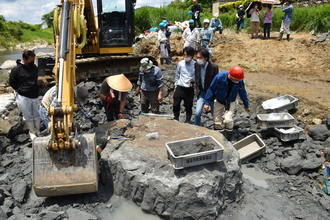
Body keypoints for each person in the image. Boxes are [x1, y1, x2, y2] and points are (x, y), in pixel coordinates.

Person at [204, 66, 250, 132]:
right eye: (236, 80)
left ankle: (229, 133)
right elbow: (211, 89)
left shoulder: (239, 81)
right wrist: (207, 102)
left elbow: (242, 93)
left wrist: (246, 105)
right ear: (231, 76)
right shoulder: (219, 77)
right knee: (217, 121)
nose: (237, 81)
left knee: (228, 120)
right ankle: (219, 133)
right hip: (219, 101)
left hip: (231, 101)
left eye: (238, 80)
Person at [9, 50, 40, 140]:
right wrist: (20, 89)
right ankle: (31, 132)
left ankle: (37, 131)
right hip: (23, 96)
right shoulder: (17, 70)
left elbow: (35, 79)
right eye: (30, 60)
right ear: (24, 59)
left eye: (33, 60)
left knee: (36, 114)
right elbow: (12, 83)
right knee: (28, 115)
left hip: (35, 95)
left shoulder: (34, 67)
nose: (32, 62)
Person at [194, 48, 219, 126]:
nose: (198, 59)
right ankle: (196, 128)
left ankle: (217, 128)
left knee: (214, 113)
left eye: (200, 58)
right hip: (201, 92)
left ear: (206, 58)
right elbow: (197, 77)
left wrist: (209, 100)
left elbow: (215, 83)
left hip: (211, 93)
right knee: (197, 113)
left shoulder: (214, 67)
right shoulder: (197, 64)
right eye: (197, 57)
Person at [173, 46, 196, 123]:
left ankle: (188, 119)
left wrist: (194, 82)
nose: (186, 57)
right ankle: (176, 118)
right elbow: (177, 75)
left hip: (189, 88)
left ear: (192, 55)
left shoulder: (195, 65)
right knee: (176, 103)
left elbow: (197, 76)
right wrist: (175, 86)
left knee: (188, 105)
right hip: (180, 86)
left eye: (187, 55)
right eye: (184, 55)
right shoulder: (180, 64)